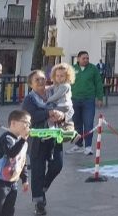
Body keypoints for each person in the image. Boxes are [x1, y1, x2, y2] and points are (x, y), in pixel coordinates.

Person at [22, 70, 71, 215]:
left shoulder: (53, 94)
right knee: (37, 171)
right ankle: (39, 202)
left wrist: (61, 116)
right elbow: (30, 116)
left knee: (57, 165)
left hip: (55, 136)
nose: (41, 82)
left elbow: (65, 109)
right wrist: (48, 113)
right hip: (37, 139)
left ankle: (42, 187)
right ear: (31, 83)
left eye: (43, 79)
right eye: (37, 80)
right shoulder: (29, 99)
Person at [0, 110, 32, 216]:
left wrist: (25, 179)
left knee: (9, 210)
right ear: (13, 123)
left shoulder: (23, 142)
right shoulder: (6, 138)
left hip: (12, 182)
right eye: (25, 122)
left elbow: (22, 162)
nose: (28, 126)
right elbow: (11, 153)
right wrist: (23, 139)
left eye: (29, 124)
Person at [70, 51, 105, 155]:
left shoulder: (93, 69)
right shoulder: (72, 69)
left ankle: (88, 146)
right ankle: (78, 145)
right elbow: (66, 82)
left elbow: (98, 83)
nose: (86, 60)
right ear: (78, 59)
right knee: (77, 123)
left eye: (87, 58)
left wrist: (100, 98)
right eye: (84, 58)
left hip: (88, 100)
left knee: (88, 123)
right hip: (74, 99)